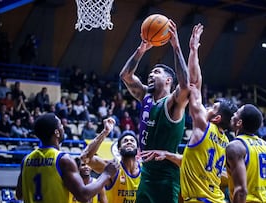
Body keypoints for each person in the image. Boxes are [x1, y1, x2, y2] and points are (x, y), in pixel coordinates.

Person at [140, 24, 238, 203]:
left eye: (212, 108)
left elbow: (193, 83)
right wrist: (168, 155)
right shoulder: (225, 141)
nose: (207, 108)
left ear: (216, 118)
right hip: (216, 198)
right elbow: (190, 162)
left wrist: (191, 49)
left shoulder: (203, 125)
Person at [119, 19, 189, 203]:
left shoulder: (173, 103)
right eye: (151, 72)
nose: (151, 74)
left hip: (166, 178)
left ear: (168, 81)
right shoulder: (145, 97)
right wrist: (141, 49)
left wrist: (176, 47)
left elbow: (185, 85)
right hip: (146, 174)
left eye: (156, 72)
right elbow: (125, 75)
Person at [15, 113, 119, 203]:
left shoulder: (26, 160)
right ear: (57, 132)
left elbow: (19, 194)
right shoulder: (62, 159)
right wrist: (106, 174)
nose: (63, 127)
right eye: (61, 125)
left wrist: (104, 132)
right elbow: (83, 195)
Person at [225, 104, 266, 203]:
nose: (233, 114)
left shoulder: (235, 146)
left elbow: (241, 191)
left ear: (239, 122)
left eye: (237, 112)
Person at [80, 117, 141, 203]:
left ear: (138, 149)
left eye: (132, 141)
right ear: (119, 149)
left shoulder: (144, 170)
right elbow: (85, 157)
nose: (129, 142)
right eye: (125, 141)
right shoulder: (113, 168)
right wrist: (105, 132)